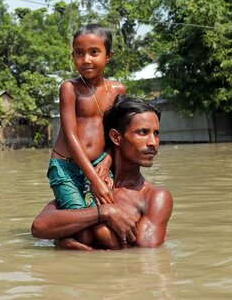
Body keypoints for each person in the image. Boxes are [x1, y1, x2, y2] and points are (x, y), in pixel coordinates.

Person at [33, 96, 173, 250]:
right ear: (116, 137)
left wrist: (69, 242)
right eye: (143, 132)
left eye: (156, 133)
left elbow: (143, 256)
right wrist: (104, 212)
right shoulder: (90, 183)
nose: (153, 142)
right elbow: (40, 227)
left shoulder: (155, 197)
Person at [48, 24, 127, 211]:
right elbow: (70, 136)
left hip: (100, 164)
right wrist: (94, 180)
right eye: (79, 53)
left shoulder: (118, 90)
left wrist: (107, 161)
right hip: (66, 166)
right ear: (73, 56)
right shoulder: (69, 88)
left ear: (108, 56)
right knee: (80, 218)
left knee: (104, 212)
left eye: (94, 52)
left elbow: (117, 135)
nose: (86, 60)